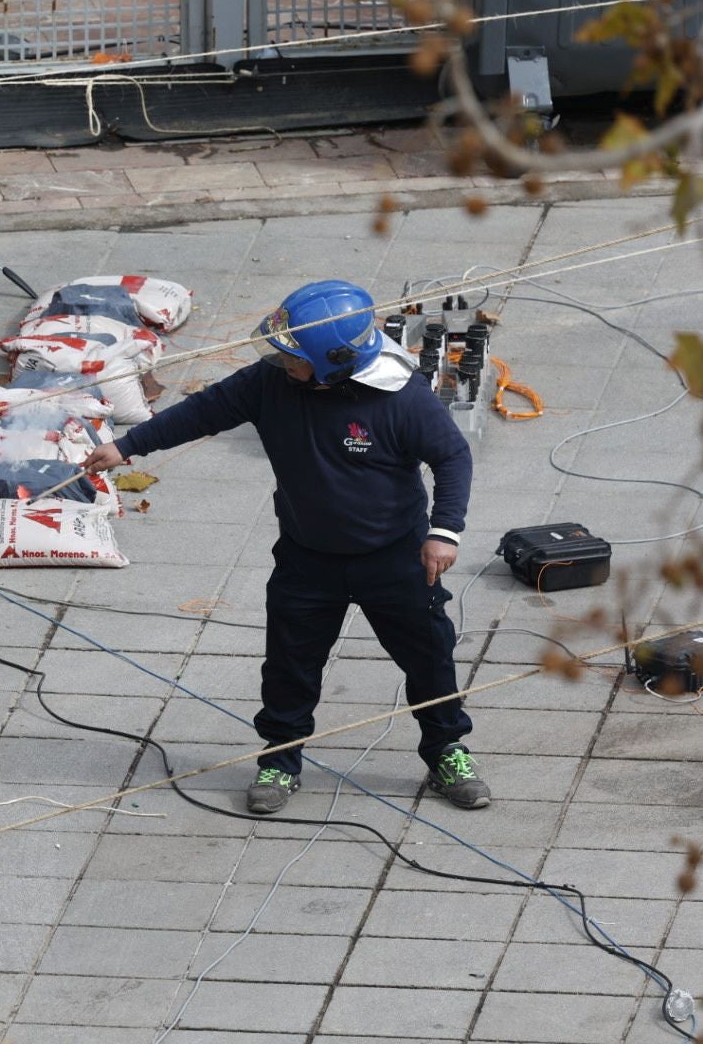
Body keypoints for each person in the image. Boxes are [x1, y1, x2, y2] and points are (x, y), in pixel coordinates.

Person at [82, 280, 490, 813]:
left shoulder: (401, 398)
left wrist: (444, 531)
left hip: (395, 557)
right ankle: (280, 757)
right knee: (290, 664)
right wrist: (127, 445)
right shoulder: (270, 382)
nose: (278, 361)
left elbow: (452, 457)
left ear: (332, 362)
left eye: (292, 355)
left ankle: (445, 750)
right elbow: (204, 411)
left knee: (429, 656)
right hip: (307, 556)